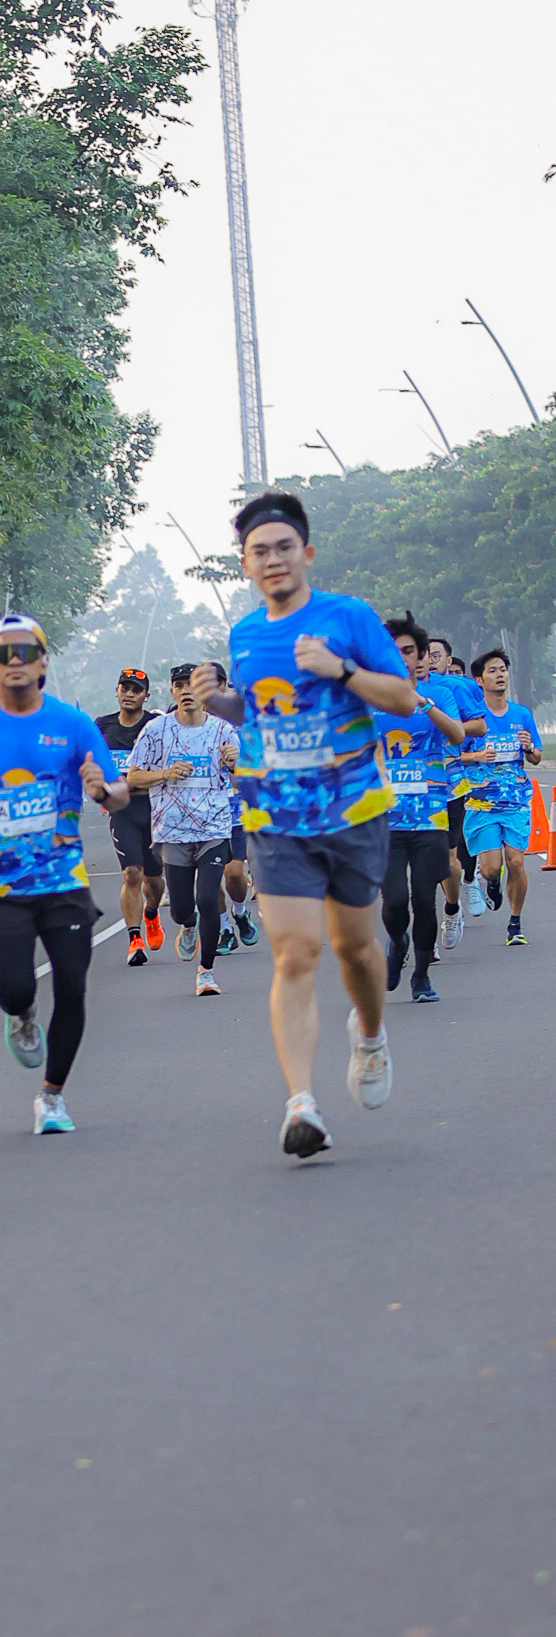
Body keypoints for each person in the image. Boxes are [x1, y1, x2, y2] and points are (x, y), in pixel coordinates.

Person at [204, 492, 415, 1160]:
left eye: (284, 548)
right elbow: (262, 712)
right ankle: (302, 1103)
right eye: (259, 552)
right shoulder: (245, 634)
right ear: (245, 564)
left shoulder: (347, 617)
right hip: (276, 817)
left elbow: (403, 699)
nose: (273, 560)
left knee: (355, 948)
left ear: (307, 554)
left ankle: (370, 1036)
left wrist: (341, 669)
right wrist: (222, 703)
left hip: (351, 812)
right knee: (295, 953)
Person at [0, 613, 129, 1134]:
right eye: (4, 654)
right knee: (16, 988)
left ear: (43, 663)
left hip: (63, 879)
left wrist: (102, 790)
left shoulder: (73, 724)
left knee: (72, 985)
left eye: (26, 653)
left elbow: (119, 791)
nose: (15, 662)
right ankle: (20, 1014)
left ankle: (52, 1097)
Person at [123, 663, 240, 995]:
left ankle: (206, 971)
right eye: (179, 685)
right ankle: (188, 925)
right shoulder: (155, 731)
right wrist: (165, 774)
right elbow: (133, 777)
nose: (186, 690)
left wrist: (236, 764)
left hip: (214, 828)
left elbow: (245, 779)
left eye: (192, 684)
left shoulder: (223, 731)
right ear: (172, 691)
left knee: (207, 898)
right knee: (182, 909)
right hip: (172, 830)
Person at [374, 611, 467, 1004]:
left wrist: (424, 705)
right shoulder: (372, 699)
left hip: (430, 815)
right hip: (385, 819)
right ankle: (397, 942)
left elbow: (458, 735)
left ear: (422, 656)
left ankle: (422, 976)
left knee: (424, 898)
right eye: (394, 651)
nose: (403, 657)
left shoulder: (439, 696)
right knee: (395, 900)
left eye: (409, 651)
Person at [461, 644, 545, 946]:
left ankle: (515, 924)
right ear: (479, 680)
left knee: (516, 862)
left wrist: (528, 747)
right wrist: (477, 756)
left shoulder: (521, 714)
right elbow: (453, 756)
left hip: (516, 801)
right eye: (492, 671)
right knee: (490, 867)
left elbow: (536, 756)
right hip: (482, 803)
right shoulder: (473, 719)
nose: (500, 675)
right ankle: (492, 883)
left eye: (503, 670)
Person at [96, 669, 165, 965]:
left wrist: (140, 781)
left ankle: (151, 912)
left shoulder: (155, 726)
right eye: (125, 688)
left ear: (145, 696)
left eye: (136, 690)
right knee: (132, 873)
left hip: (154, 809)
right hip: (122, 812)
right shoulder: (103, 726)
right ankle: (135, 940)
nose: (129, 694)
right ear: (116, 691)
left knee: (155, 880)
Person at [422, 633, 484, 943]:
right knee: (417, 863)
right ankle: (422, 935)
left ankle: (453, 904)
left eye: (433, 654)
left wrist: (442, 724)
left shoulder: (452, 688)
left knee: (448, 857)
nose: (428, 659)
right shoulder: (387, 687)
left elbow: (478, 726)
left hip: (448, 782)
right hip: (406, 791)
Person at [196, 657, 261, 953]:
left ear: (223, 686)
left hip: (234, 809)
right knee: (210, 877)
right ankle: (224, 928)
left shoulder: (241, 721)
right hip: (200, 812)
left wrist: (237, 765)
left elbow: (254, 768)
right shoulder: (184, 723)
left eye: (212, 684)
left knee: (234, 873)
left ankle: (240, 912)